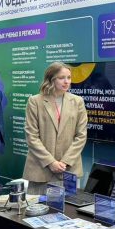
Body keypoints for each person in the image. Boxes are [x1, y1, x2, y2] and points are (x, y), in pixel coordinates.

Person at [23, 62, 87, 195]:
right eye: (61, 78)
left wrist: (65, 161)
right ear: (51, 79)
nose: (66, 81)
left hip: (68, 169)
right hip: (41, 170)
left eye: (69, 77)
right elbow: (31, 136)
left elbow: (81, 135)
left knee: (69, 206)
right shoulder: (35, 101)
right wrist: (50, 162)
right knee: (38, 206)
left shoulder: (77, 101)